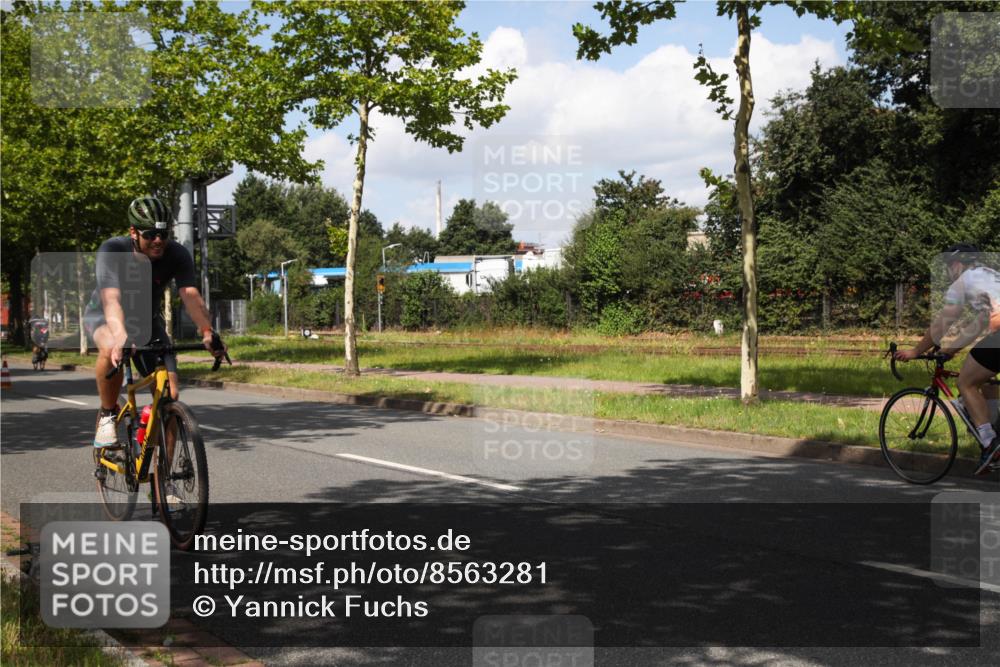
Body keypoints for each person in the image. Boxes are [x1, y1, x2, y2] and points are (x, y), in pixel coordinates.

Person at [86, 196, 226, 448]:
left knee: (170, 398)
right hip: (105, 316)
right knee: (109, 346)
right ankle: (108, 414)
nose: (158, 240)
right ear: (133, 232)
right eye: (151, 234)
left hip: (147, 323)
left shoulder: (177, 254)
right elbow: (111, 299)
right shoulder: (113, 250)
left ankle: (165, 483)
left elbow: (190, 295)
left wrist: (207, 331)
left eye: (163, 233)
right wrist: (120, 336)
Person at [895, 243, 1000, 475]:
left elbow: (945, 320)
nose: (949, 272)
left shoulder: (963, 281)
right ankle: (995, 432)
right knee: (985, 378)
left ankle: (989, 443)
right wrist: (950, 351)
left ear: (956, 264)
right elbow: (979, 324)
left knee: (966, 382)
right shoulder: (988, 276)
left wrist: (915, 351)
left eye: (949, 266)